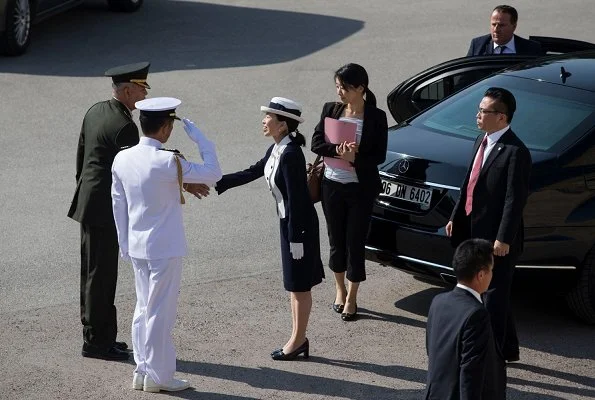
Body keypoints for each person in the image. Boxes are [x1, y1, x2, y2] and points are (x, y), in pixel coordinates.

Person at [111, 97, 222, 392]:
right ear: (166, 128)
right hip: (164, 248)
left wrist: (124, 243)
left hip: (136, 246)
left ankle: (143, 370)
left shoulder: (122, 158)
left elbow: (117, 205)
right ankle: (159, 377)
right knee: (160, 311)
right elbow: (213, 172)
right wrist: (202, 139)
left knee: (143, 308)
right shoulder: (167, 161)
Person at [215, 97, 324, 360]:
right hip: (288, 223)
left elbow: (298, 200)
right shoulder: (277, 149)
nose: (264, 121)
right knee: (293, 285)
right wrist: (219, 181)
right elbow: (254, 171)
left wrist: (296, 238)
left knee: (300, 286)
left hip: (299, 227)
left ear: (283, 125)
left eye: (269, 117)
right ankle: (298, 339)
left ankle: (297, 341)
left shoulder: (291, 155)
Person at [68, 61, 150, 361]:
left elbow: (81, 157)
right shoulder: (126, 127)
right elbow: (132, 177)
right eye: (142, 88)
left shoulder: (96, 110)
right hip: (105, 210)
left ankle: (97, 335)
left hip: (89, 202)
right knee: (101, 276)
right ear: (127, 90)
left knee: (92, 273)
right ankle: (97, 342)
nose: (144, 94)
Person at [446, 87, 532, 362]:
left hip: (498, 239)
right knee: (495, 296)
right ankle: (508, 349)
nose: (478, 115)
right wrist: (455, 216)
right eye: (479, 109)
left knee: (493, 298)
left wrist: (504, 238)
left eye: (484, 111)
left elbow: (514, 199)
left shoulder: (516, 152)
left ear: (502, 117)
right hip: (473, 230)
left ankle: (490, 358)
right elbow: (468, 184)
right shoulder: (480, 141)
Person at [311, 63, 388, 321]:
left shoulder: (376, 117)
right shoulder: (331, 110)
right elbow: (316, 142)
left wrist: (354, 157)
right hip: (331, 185)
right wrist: (336, 152)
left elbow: (379, 155)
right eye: (337, 87)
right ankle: (339, 289)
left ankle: (352, 297)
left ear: (360, 89)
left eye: (344, 88)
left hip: (360, 189)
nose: (339, 92)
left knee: (355, 242)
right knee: (336, 241)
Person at [425, 238, 505, 400]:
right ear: (481, 275)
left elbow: (432, 349)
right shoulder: (476, 314)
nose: (492, 275)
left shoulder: (438, 302)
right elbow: (471, 373)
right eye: (491, 270)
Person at [466, 5, 543, 56]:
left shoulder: (531, 49)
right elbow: (464, 77)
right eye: (493, 24)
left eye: (501, 25)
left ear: (514, 26)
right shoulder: (477, 46)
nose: (496, 29)